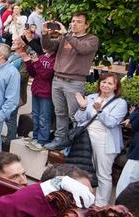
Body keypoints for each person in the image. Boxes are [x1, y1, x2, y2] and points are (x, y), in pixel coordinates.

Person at [43, 14, 100, 146]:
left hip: (74, 82)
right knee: (60, 113)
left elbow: (82, 49)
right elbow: (48, 47)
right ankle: (60, 140)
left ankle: (75, 144)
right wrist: (45, 33)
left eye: (79, 22)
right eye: (73, 21)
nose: (74, 24)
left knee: (75, 115)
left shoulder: (92, 39)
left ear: (87, 25)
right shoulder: (65, 38)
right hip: (57, 79)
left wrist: (66, 35)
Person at [73, 72, 128, 206]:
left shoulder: (120, 103)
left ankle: (100, 205)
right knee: (85, 170)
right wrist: (82, 107)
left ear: (116, 87)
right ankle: (85, 199)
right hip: (86, 138)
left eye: (110, 83)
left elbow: (111, 123)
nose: (105, 85)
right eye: (103, 82)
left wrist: (99, 111)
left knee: (103, 173)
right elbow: (79, 119)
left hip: (105, 141)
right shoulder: (91, 97)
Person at [22, 35, 56, 144]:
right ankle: (35, 137)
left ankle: (42, 140)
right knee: (35, 116)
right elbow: (33, 74)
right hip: (36, 90)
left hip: (46, 93)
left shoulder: (55, 60)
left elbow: (46, 75)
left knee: (44, 118)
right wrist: (28, 62)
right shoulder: (42, 57)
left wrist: (36, 61)